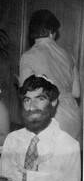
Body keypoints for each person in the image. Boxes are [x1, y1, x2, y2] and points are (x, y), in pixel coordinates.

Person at [0, 75, 81, 181]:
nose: (31, 106)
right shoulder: (12, 140)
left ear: (53, 102)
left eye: (40, 99)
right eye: (27, 100)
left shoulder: (68, 146)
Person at [19, 9, 81, 142]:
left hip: (49, 116)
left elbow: (27, 93)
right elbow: (76, 93)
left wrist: (20, 83)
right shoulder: (69, 55)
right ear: (53, 32)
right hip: (73, 116)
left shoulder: (28, 56)